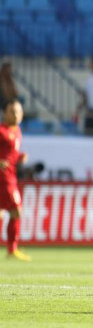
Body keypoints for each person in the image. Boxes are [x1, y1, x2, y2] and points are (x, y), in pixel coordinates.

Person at [1, 99, 30, 260]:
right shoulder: (1, 131)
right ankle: (12, 249)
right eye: (12, 111)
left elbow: (9, 155)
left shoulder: (17, 130)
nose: (16, 115)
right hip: (4, 178)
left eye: (18, 112)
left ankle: (11, 249)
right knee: (16, 210)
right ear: (5, 113)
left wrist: (20, 156)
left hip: (10, 175)